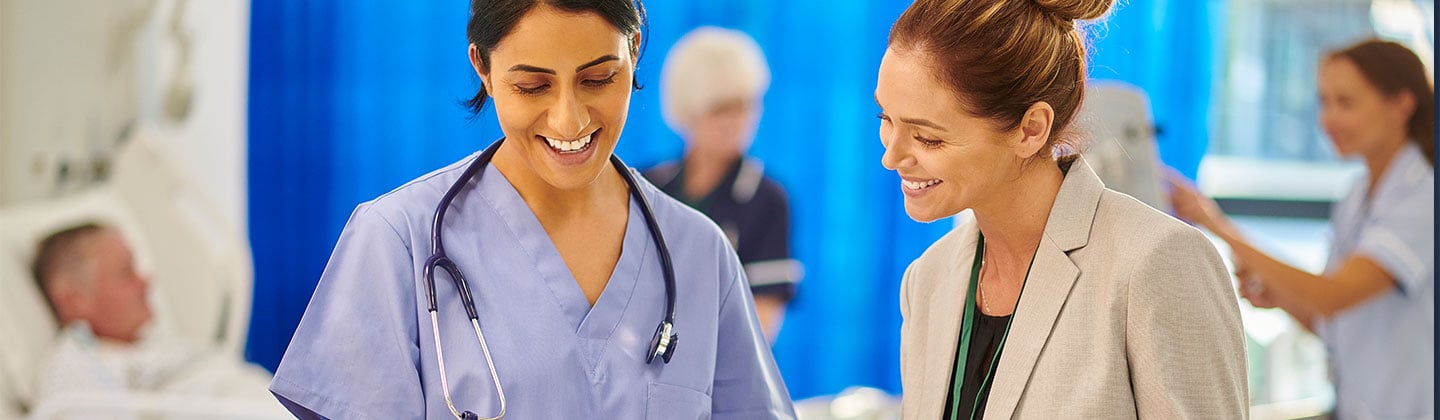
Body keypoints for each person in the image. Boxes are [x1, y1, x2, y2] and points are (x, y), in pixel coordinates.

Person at [268, 1, 795, 418]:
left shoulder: (700, 253)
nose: (569, 121)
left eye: (597, 79)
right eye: (532, 86)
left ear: (633, 51)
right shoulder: (396, 239)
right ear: (483, 66)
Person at [875, 0, 1248, 418]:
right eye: (886, 118)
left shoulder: (1157, 263)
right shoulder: (928, 279)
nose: (891, 157)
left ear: (1031, 129)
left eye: (927, 138)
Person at [1169, 39, 1434, 420]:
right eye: (1324, 102)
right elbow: (1332, 321)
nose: (1328, 119)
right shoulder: (1357, 195)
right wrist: (1282, 297)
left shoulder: (1424, 195)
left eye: (1346, 103)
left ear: (1401, 105)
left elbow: (1332, 296)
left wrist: (1214, 223)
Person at [644, 26, 801, 343]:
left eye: (745, 105)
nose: (736, 120)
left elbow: (761, 325)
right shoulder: (647, 187)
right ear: (688, 109)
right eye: (720, 108)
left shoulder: (767, 198)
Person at [29, 223, 280, 416]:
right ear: (74, 300)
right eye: (126, 273)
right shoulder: (76, 364)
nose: (145, 281)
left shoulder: (158, 345)